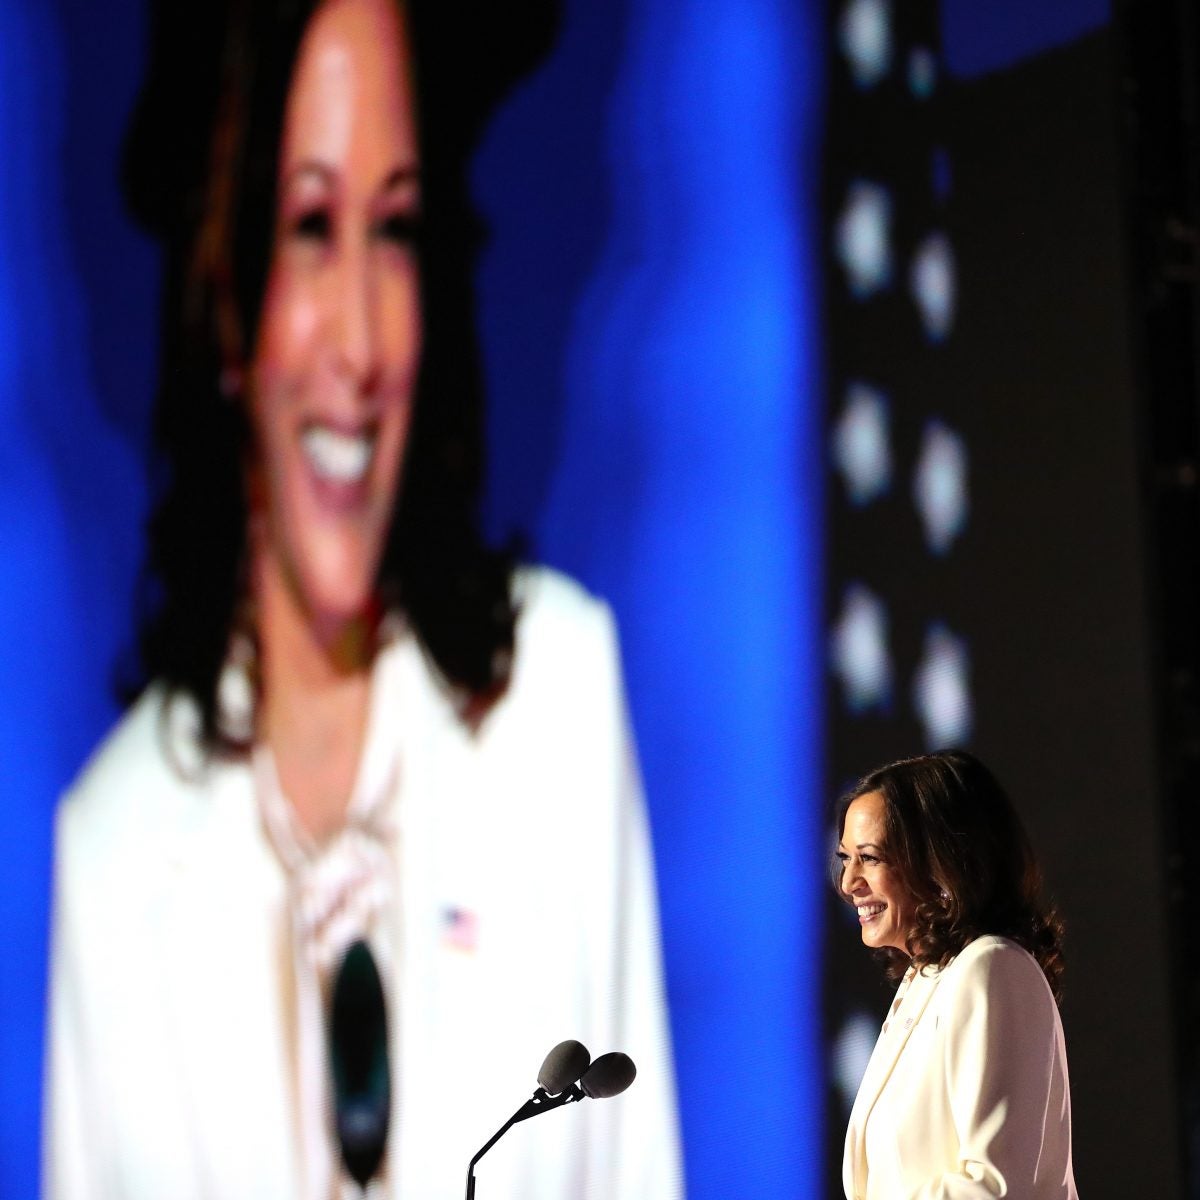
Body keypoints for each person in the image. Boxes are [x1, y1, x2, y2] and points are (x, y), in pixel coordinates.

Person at [43, 1, 682, 1197]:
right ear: (222, 296)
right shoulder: (112, 848)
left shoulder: (560, 697)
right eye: (307, 226)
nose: (361, 341)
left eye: (393, 231)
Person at [834, 749, 1079, 1200]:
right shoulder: (925, 980)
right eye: (845, 858)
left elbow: (992, 1186)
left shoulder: (992, 968)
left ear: (939, 862)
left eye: (869, 858)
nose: (849, 883)